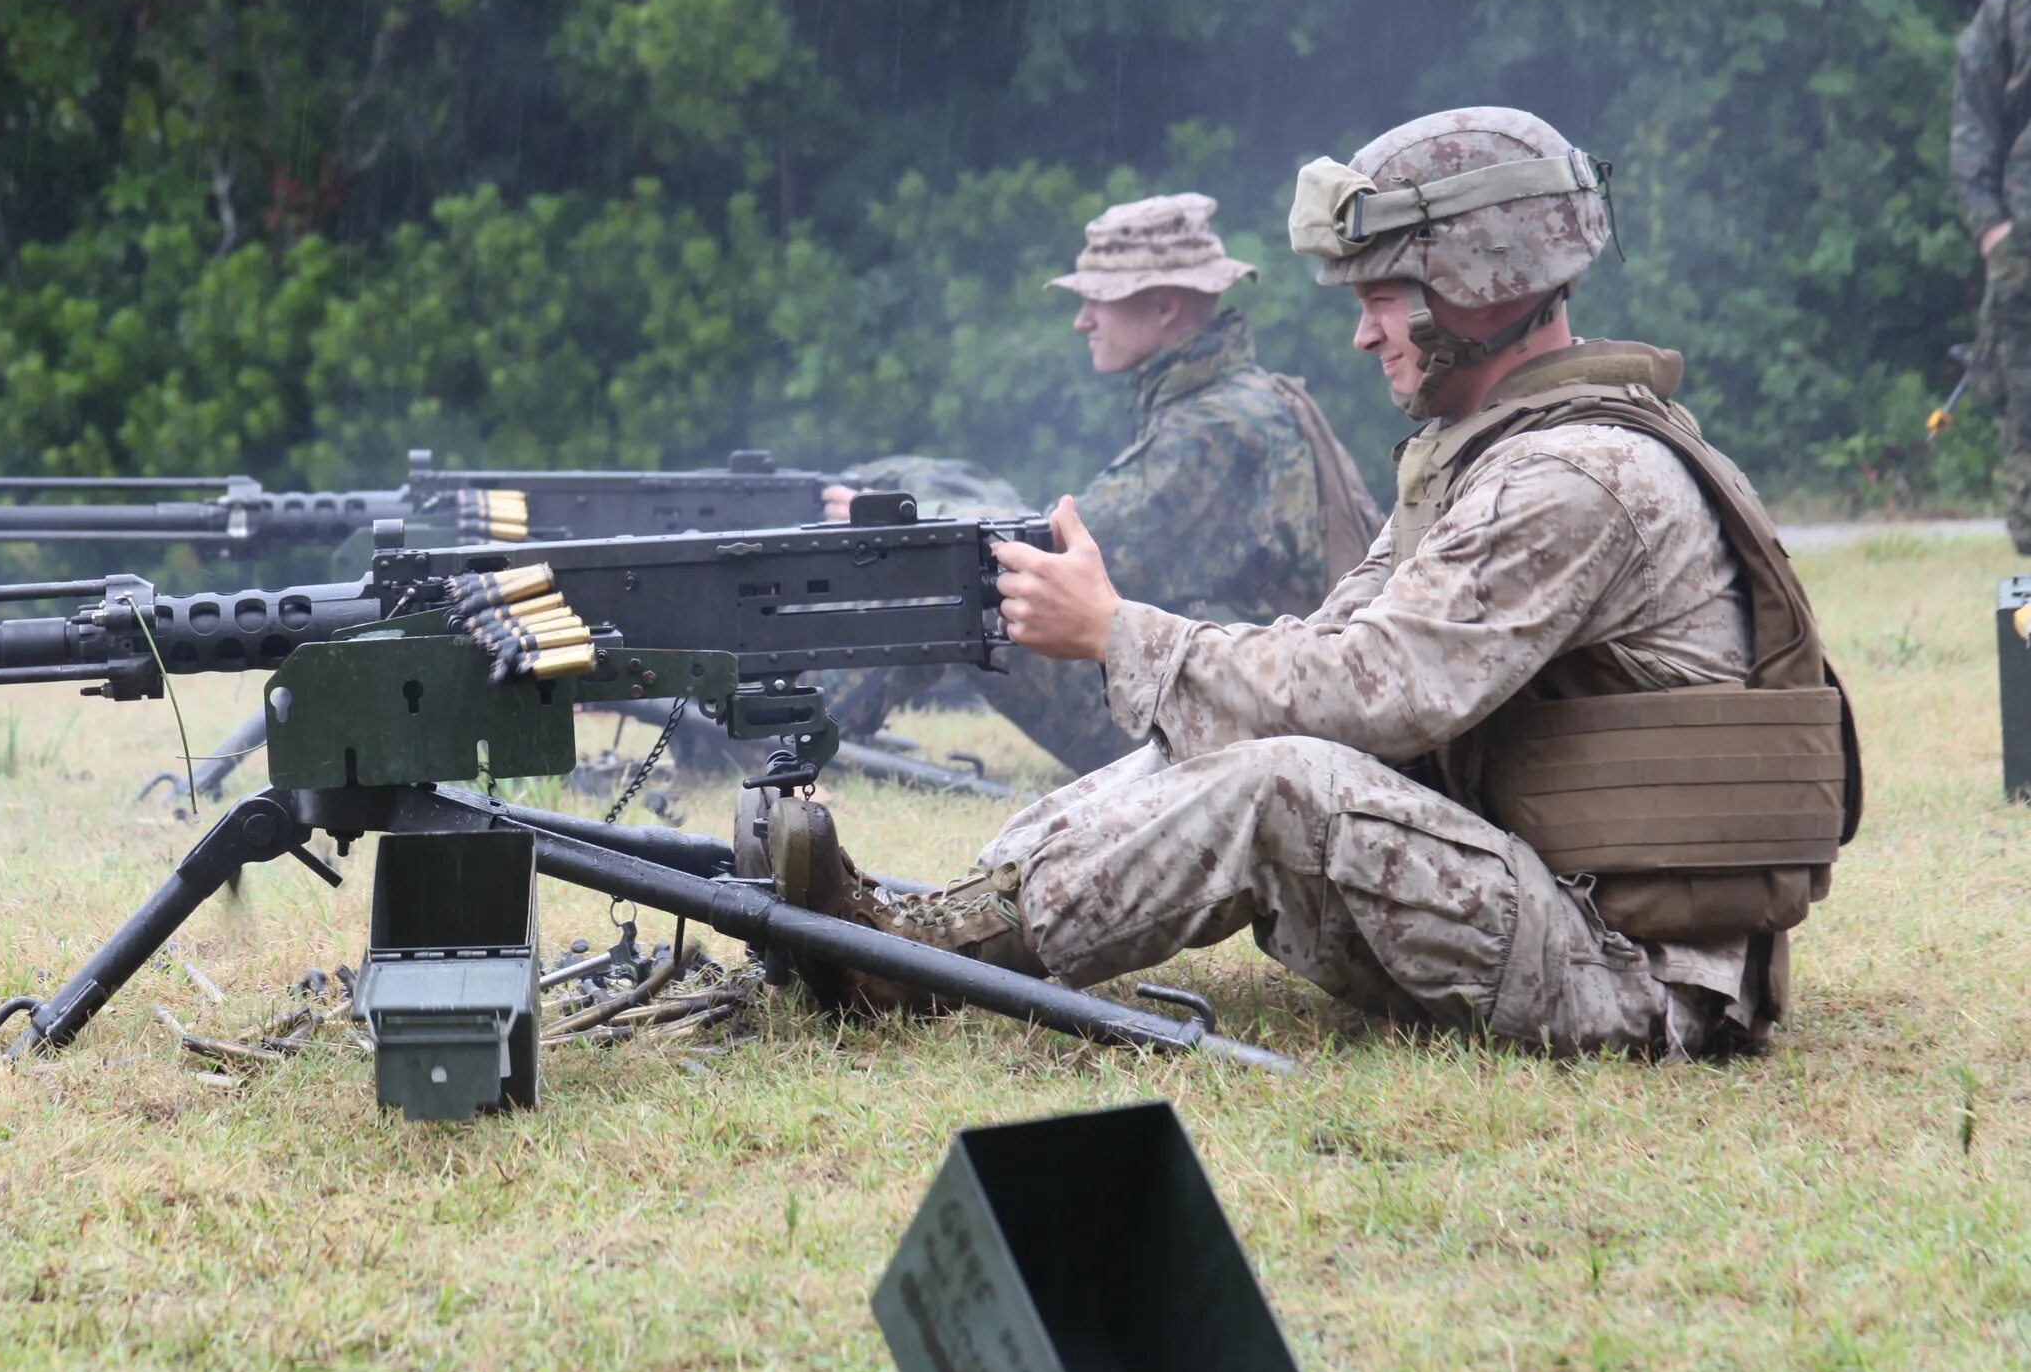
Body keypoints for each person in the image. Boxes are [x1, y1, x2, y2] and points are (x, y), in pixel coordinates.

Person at [775, 107, 1859, 1058]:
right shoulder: (1492, 451)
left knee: (1281, 777)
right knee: (1229, 727)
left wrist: (1119, 636)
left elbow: (1376, 690)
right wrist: (1152, 652)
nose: (1362, 330)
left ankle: (903, 967)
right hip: (1562, 903)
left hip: (1638, 975)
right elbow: (1338, 647)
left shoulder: (1576, 477)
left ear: (1481, 281)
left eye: (1386, 294)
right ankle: (926, 930)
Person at [821, 193, 1380, 777]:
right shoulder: (1227, 403)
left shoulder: (1218, 428)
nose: (1082, 320)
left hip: (1246, 724)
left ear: (1163, 306)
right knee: (963, 525)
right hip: (1246, 700)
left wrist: (911, 516)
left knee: (970, 584)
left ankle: (793, 735)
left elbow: (1064, 549)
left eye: (1098, 300)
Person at [1953, 0, 2031, 552]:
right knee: (2026, 405)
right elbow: (1973, 122)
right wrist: (1991, 227)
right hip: (2024, 242)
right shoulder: (2010, 4)